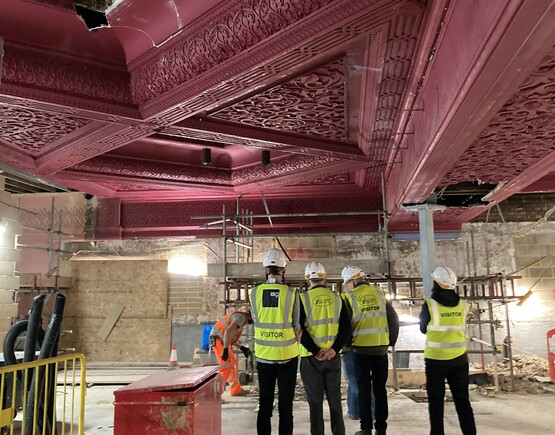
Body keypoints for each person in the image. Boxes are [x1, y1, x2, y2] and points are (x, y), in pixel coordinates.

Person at [249, 248, 301, 435]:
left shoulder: (253, 293)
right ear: (283, 270)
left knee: (265, 405)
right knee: (286, 407)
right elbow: (297, 328)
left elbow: (256, 319)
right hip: (288, 356)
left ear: (265, 269)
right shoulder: (292, 293)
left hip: (263, 356)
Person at [341, 266, 399, 435]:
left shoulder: (349, 297)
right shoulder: (380, 294)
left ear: (352, 281)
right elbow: (393, 319)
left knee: (364, 389)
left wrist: (348, 345)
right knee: (380, 390)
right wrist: (390, 342)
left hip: (360, 350)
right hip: (381, 349)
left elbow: (345, 327)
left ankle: (365, 428)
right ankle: (381, 428)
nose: (347, 287)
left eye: (347, 283)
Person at [419, 266, 476, 435]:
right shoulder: (463, 306)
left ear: (436, 283)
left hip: (435, 361)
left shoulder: (430, 305)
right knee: (462, 401)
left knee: (436, 403)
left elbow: (423, 328)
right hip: (459, 360)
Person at [299, 261, 351, 435]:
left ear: (308, 280)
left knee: (315, 404)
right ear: (324, 279)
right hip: (333, 357)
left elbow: (300, 329)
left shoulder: (302, 299)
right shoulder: (338, 298)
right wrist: (334, 349)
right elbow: (346, 328)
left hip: (311, 358)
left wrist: (315, 351)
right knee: (335, 401)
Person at [209, 310, 253, 396]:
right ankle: (215, 395)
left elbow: (229, 336)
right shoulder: (240, 318)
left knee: (232, 364)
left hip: (221, 341)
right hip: (218, 341)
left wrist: (242, 348)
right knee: (225, 366)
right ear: (251, 315)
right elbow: (228, 332)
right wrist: (225, 350)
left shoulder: (239, 318)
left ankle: (236, 390)